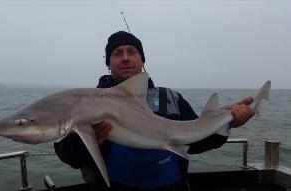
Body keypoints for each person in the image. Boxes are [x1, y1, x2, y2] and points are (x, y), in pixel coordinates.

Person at [54, 31, 255, 191]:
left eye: (132, 52)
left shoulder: (171, 99)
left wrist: (227, 121)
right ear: (108, 63)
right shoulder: (87, 102)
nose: (125, 58)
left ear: (142, 60)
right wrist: (87, 141)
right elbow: (68, 156)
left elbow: (197, 141)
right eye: (117, 53)